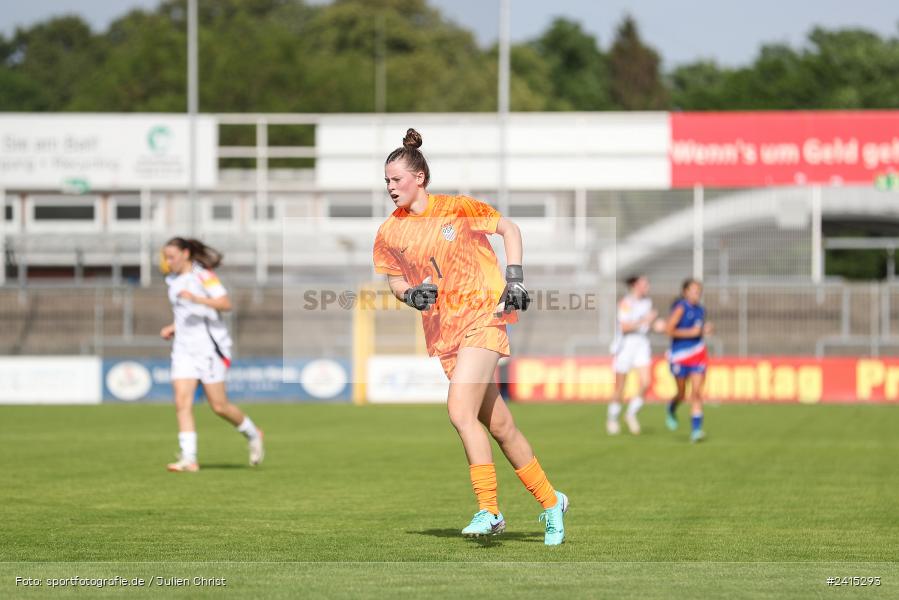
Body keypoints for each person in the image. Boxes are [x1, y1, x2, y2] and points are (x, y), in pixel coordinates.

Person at [372, 129, 569, 545]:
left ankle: (489, 510)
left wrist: (514, 280)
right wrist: (411, 295)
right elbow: (394, 282)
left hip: (483, 317)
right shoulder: (389, 232)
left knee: (460, 412)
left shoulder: (457, 208)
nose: (390, 187)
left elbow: (509, 229)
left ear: (419, 178)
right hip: (445, 336)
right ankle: (552, 503)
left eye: (396, 179)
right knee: (501, 427)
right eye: (386, 180)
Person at [160, 237, 264, 471]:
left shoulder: (203, 276)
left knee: (219, 406)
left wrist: (196, 298)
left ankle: (253, 433)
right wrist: (173, 327)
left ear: (186, 254)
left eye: (172, 257)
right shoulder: (172, 280)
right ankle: (189, 458)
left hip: (209, 348)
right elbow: (185, 314)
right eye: (166, 257)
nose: (168, 262)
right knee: (182, 402)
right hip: (183, 350)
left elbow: (225, 304)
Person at [607, 275, 657, 435]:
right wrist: (644, 320)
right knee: (620, 386)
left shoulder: (647, 303)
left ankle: (630, 413)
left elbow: (647, 324)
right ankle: (612, 418)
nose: (647, 287)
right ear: (635, 285)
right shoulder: (626, 303)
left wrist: (657, 324)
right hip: (626, 345)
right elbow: (625, 327)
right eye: (644, 284)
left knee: (646, 382)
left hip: (642, 344)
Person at [665, 278, 713, 443]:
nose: (696, 294)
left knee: (697, 392)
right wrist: (691, 333)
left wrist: (706, 330)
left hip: (698, 353)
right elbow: (669, 330)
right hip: (679, 356)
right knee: (682, 393)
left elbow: (699, 330)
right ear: (685, 292)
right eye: (693, 291)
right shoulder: (680, 308)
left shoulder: (701, 310)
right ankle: (672, 407)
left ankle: (696, 430)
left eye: (698, 291)